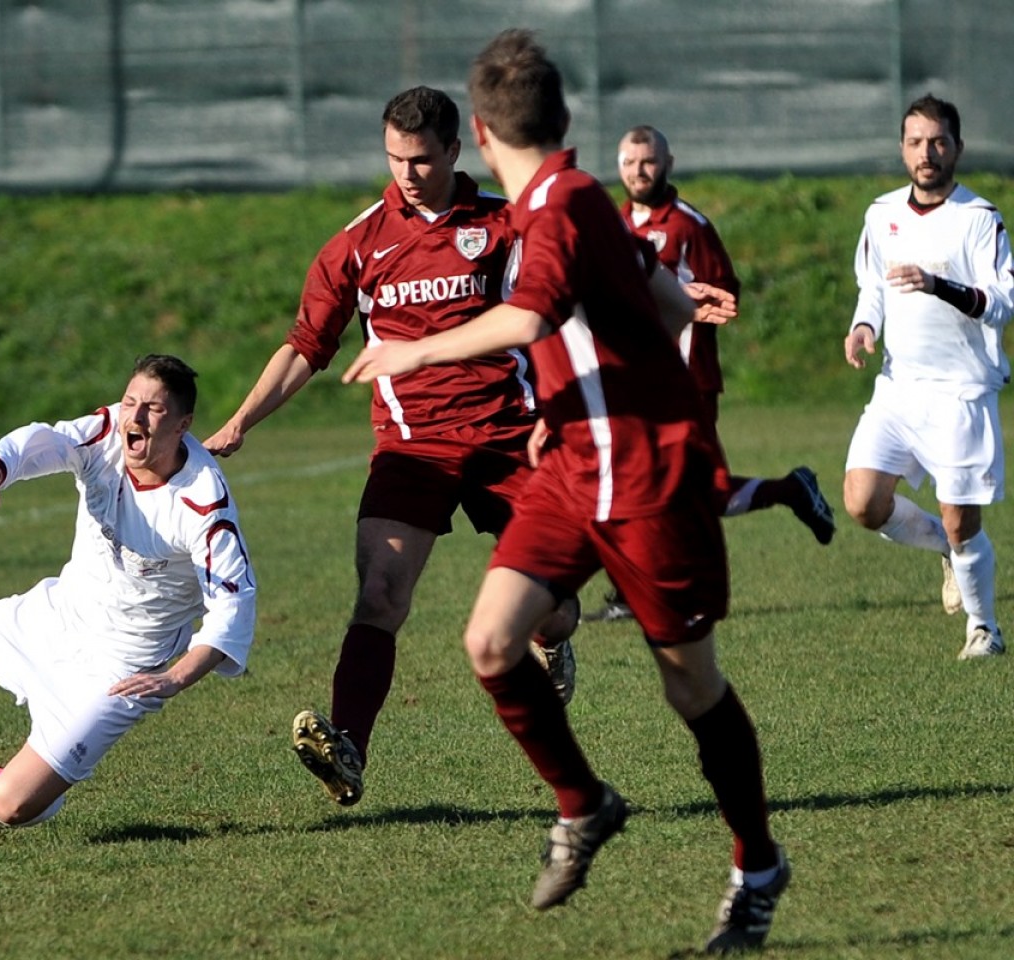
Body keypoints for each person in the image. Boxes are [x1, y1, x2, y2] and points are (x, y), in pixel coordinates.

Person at [343, 30, 788, 954]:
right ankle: (584, 804)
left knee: (690, 686)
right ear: (567, 119)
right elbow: (671, 307)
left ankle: (757, 862)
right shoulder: (573, 200)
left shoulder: (560, 204)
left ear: (477, 128)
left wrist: (418, 347)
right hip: (574, 466)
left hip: (648, 481)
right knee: (491, 640)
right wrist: (573, 394)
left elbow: (535, 310)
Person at [204, 85, 580, 809]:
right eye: (393, 157)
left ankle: (553, 637)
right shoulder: (362, 240)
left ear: (453, 151)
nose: (406, 172)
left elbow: (553, 319)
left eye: (420, 158)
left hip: (511, 438)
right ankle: (347, 748)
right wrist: (243, 419)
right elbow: (307, 343)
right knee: (379, 595)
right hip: (414, 449)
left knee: (552, 607)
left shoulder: (504, 226)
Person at [0, 354, 257, 826]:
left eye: (153, 410)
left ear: (183, 424)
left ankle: (44, 786)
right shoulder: (106, 434)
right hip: (60, 615)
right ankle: (43, 753)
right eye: (129, 402)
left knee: (9, 807)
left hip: (120, 669)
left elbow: (233, 603)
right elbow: (48, 440)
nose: (134, 418)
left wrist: (174, 678)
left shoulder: (204, 504)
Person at [584, 125, 838, 623]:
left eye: (649, 161)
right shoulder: (612, 224)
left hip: (687, 383)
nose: (639, 170)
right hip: (629, 383)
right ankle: (633, 592)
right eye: (630, 161)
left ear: (668, 163)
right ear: (618, 167)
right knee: (627, 484)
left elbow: (726, 298)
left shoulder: (688, 226)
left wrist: (681, 307)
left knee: (700, 491)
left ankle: (790, 493)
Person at [843, 94, 1013, 660]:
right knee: (863, 503)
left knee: (964, 520)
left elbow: (1001, 303)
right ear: (902, 149)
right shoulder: (881, 213)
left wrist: (939, 285)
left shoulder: (980, 220)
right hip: (899, 388)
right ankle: (943, 547)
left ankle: (983, 629)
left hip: (961, 391)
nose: (927, 153)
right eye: (916, 142)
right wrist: (864, 326)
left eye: (938, 141)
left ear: (957, 148)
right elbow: (873, 285)